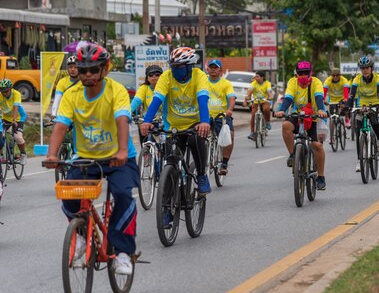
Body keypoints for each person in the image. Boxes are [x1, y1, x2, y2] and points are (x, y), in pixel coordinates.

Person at [44, 43, 139, 275]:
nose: (87, 75)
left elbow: (121, 120)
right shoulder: (71, 95)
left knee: (123, 195)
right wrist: (52, 154)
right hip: (85, 157)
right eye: (83, 69)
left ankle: (123, 253)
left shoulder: (116, 91)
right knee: (67, 197)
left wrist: (122, 151)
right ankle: (78, 237)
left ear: (104, 69)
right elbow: (61, 126)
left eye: (93, 70)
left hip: (119, 157)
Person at [140, 46, 212, 199]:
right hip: (172, 126)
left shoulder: (199, 76)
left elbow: (203, 100)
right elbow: (157, 100)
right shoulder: (166, 77)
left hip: (195, 124)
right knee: (170, 165)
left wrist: (205, 122)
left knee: (196, 141)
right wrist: (146, 121)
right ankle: (166, 210)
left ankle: (201, 175)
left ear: (189, 66)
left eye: (179, 66)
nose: (175, 70)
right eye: (173, 66)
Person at [275, 61, 328, 190]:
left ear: (311, 73)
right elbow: (288, 98)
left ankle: (320, 176)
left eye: (306, 73)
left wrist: (321, 109)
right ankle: (293, 155)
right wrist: (281, 110)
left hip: (314, 116)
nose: (303, 76)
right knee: (286, 125)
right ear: (296, 73)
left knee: (317, 145)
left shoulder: (316, 82)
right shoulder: (293, 82)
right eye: (300, 73)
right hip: (298, 115)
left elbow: (319, 97)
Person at [347, 55, 379, 172]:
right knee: (359, 132)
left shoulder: (377, 78)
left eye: (367, 68)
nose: (365, 70)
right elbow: (352, 95)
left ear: (371, 68)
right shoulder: (357, 79)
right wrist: (348, 105)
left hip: (374, 103)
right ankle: (360, 160)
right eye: (362, 68)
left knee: (374, 121)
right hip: (362, 105)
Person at [206, 59, 236, 175]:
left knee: (230, 134)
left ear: (221, 70)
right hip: (205, 115)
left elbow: (231, 98)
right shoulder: (203, 82)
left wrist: (229, 110)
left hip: (221, 116)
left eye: (216, 67)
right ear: (207, 69)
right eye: (211, 67)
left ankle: (224, 163)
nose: (213, 69)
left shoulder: (226, 83)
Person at [0, 79, 27, 162]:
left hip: (19, 118)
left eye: (6, 91)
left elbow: (16, 107)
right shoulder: (1, 95)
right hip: (5, 118)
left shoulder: (16, 94)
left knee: (17, 137)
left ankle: (23, 154)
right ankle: (1, 156)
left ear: (11, 88)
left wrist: (14, 120)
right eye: (2, 91)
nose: (4, 93)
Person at [244, 71, 274, 141]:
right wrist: (246, 99)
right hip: (256, 101)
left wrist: (270, 96)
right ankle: (252, 132)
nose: (256, 78)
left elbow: (269, 92)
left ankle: (267, 122)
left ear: (262, 77)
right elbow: (249, 93)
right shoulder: (253, 84)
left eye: (257, 76)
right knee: (253, 115)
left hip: (264, 101)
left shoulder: (267, 83)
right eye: (255, 76)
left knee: (266, 109)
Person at [323, 68, 351, 133]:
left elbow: (346, 90)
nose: (335, 77)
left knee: (345, 108)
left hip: (342, 99)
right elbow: (324, 91)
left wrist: (345, 98)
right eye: (333, 75)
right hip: (332, 100)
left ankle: (346, 118)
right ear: (331, 75)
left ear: (340, 75)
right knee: (332, 117)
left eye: (337, 75)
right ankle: (332, 137)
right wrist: (323, 99)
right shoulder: (328, 81)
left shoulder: (344, 80)